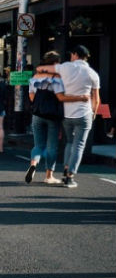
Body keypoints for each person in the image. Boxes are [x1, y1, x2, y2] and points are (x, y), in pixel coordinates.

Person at [36, 45, 101, 188]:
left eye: (72, 54)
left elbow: (41, 69)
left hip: (67, 114)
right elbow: (96, 98)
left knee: (70, 143)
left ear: (75, 55)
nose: (71, 57)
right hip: (84, 114)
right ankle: (69, 176)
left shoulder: (65, 67)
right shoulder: (92, 74)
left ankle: (65, 170)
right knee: (79, 145)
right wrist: (94, 113)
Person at [25, 51, 91, 185]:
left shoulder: (36, 76)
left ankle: (33, 164)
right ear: (56, 63)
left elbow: (31, 96)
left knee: (38, 145)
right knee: (52, 147)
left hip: (37, 114)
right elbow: (62, 96)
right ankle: (49, 175)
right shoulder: (59, 77)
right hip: (53, 116)